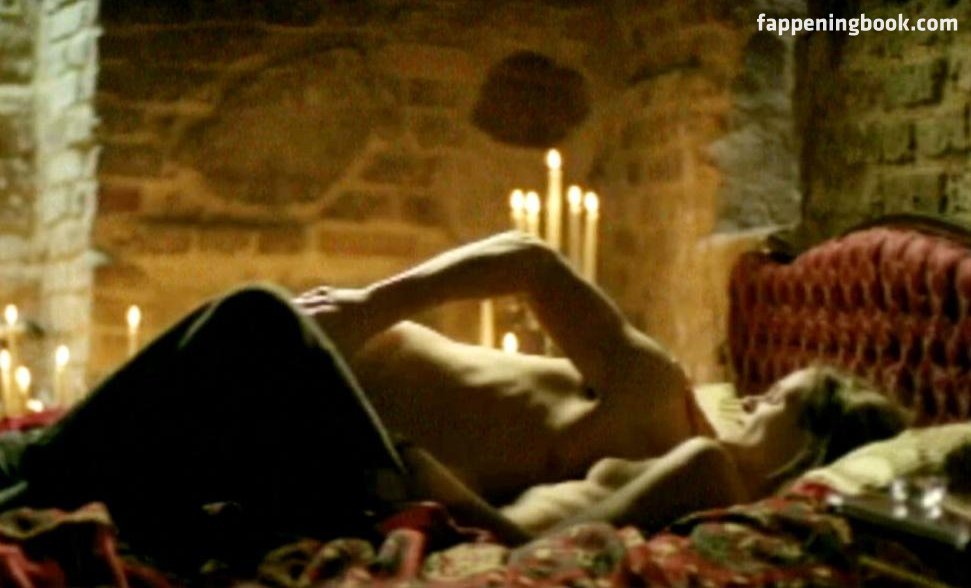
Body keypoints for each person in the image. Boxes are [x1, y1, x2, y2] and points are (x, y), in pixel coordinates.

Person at [0, 231, 908, 570]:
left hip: (362, 459)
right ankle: (36, 465)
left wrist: (419, 484)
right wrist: (373, 305)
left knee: (253, 319)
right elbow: (529, 259)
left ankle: (32, 467)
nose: (755, 397)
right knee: (217, 364)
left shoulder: (695, 474)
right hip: (339, 413)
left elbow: (523, 534)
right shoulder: (657, 389)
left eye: (783, 402)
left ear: (807, 454)